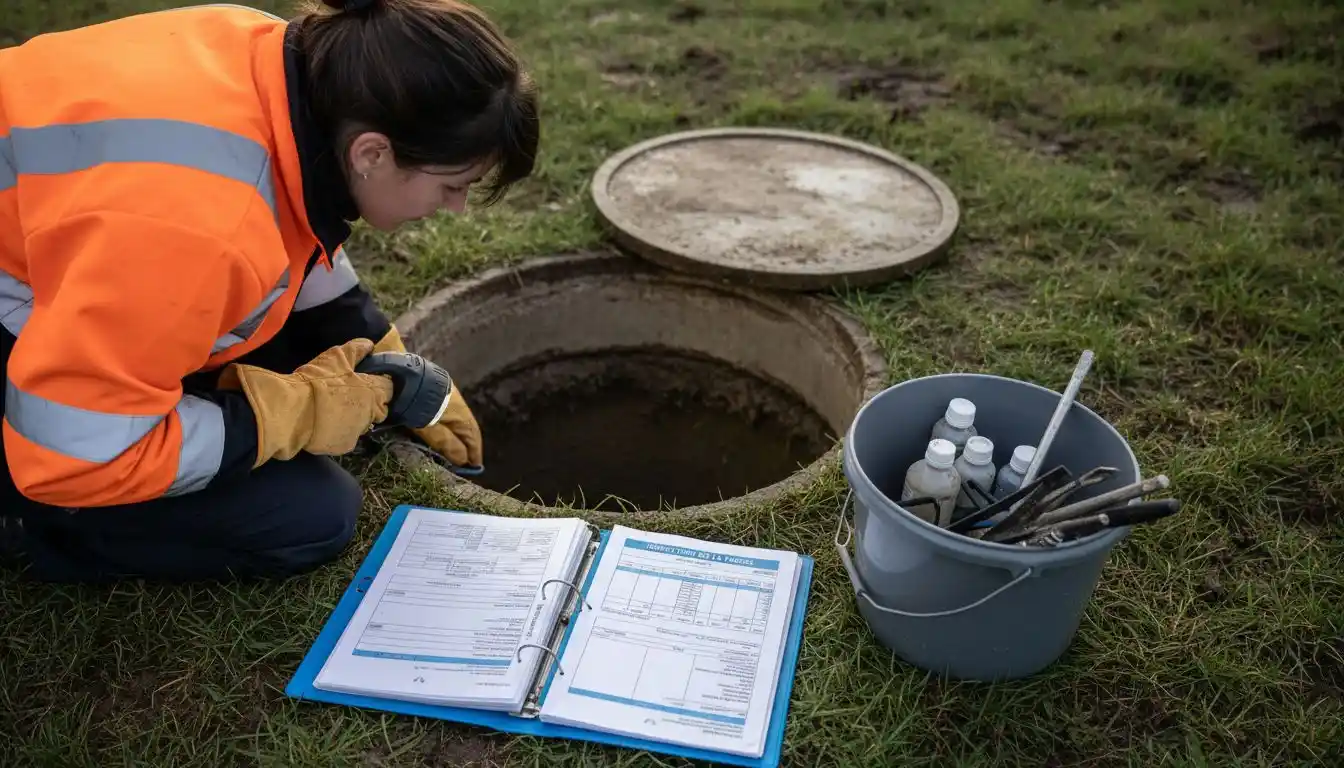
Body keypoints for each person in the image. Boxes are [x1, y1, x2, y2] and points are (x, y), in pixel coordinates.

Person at [0, 0, 539, 583]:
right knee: (311, 514)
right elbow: (77, 454)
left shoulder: (272, 56)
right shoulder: (202, 233)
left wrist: (368, 337)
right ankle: (35, 526)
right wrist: (288, 414)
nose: (456, 207)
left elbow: (291, 214)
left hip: (74, 248)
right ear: (372, 153)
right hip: (69, 413)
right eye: (453, 185)